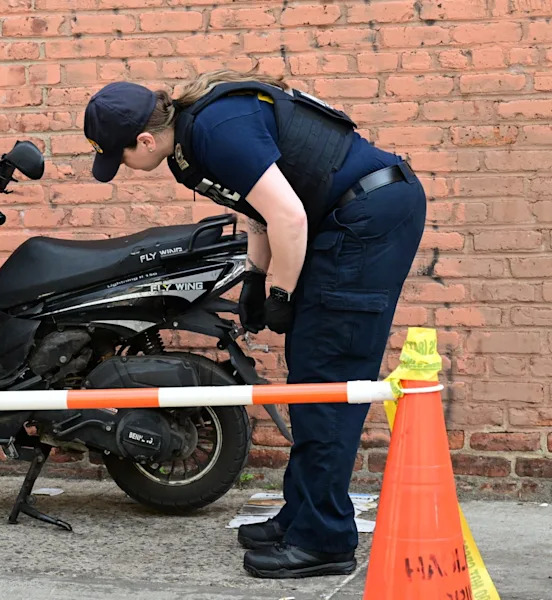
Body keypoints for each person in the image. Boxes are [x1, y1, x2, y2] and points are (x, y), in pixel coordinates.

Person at [82, 71, 426, 578]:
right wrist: (257, 279)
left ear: (145, 139)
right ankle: (302, 516)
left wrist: (282, 294)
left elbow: (289, 218)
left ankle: (324, 541)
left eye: (121, 157)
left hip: (366, 219)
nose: (125, 168)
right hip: (345, 218)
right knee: (310, 375)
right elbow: (258, 213)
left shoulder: (218, 131)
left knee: (328, 379)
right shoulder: (193, 142)